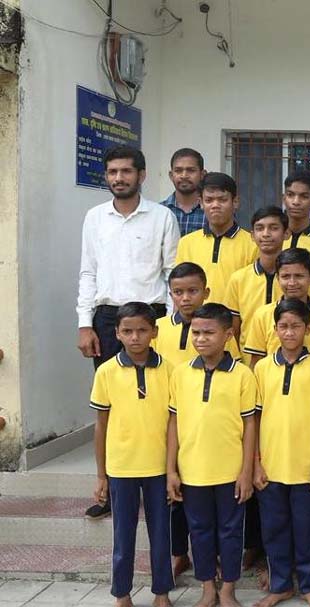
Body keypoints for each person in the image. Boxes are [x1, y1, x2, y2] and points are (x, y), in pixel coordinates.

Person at [78, 145, 179, 520]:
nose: (118, 178)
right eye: (112, 172)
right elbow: (88, 272)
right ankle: (108, 488)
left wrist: (169, 324)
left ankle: (162, 482)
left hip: (153, 316)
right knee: (112, 407)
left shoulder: (162, 217)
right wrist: (84, 322)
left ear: (142, 175)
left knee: (157, 404)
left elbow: (171, 273)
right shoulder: (95, 218)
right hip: (108, 320)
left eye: (125, 171)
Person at [166, 303, 257, 607]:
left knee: (231, 532)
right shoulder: (181, 374)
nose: (201, 339)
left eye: (209, 332)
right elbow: (174, 422)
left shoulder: (242, 375)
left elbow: (250, 424)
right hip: (192, 471)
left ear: (228, 335)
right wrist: (171, 470)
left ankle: (228, 589)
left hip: (230, 471)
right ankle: (207, 588)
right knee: (199, 531)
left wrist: (246, 471)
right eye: (196, 332)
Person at [253, 299, 310, 607]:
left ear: (308, 329)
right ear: (275, 329)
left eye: (296, 326)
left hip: (307, 468)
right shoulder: (262, 368)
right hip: (271, 467)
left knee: (307, 530)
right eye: (283, 326)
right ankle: (280, 585)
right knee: (274, 529)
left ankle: (308, 585)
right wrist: (256, 463)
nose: (289, 332)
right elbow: (254, 418)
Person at [91, 303, 173, 607]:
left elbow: (175, 422)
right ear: (117, 333)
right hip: (121, 467)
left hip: (158, 467)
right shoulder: (106, 371)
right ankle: (122, 594)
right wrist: (101, 474)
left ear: (154, 332)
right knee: (123, 536)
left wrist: (173, 468)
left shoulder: (170, 370)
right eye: (127, 331)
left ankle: (162, 592)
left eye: (142, 330)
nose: (135, 337)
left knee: (161, 535)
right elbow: (101, 425)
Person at [242, 248, 310, 368]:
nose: (292, 283)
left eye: (299, 276)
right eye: (286, 276)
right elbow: (256, 363)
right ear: (278, 278)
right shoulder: (262, 315)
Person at [174, 172, 257, 305]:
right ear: (201, 203)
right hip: (197, 317)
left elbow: (253, 291)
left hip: (235, 317)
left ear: (235, 202)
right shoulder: (187, 243)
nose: (215, 205)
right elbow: (179, 288)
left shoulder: (253, 244)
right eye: (209, 200)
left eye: (222, 200)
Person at [222, 206, 287, 347]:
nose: (266, 234)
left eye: (274, 228)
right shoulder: (239, 279)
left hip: (285, 355)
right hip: (248, 356)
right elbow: (233, 329)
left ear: (286, 233)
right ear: (252, 235)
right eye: (259, 228)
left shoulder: (293, 279)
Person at [162, 148, 206, 236]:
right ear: (171, 175)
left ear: (202, 174)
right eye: (178, 171)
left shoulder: (211, 211)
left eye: (191, 170)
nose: (184, 176)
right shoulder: (160, 211)